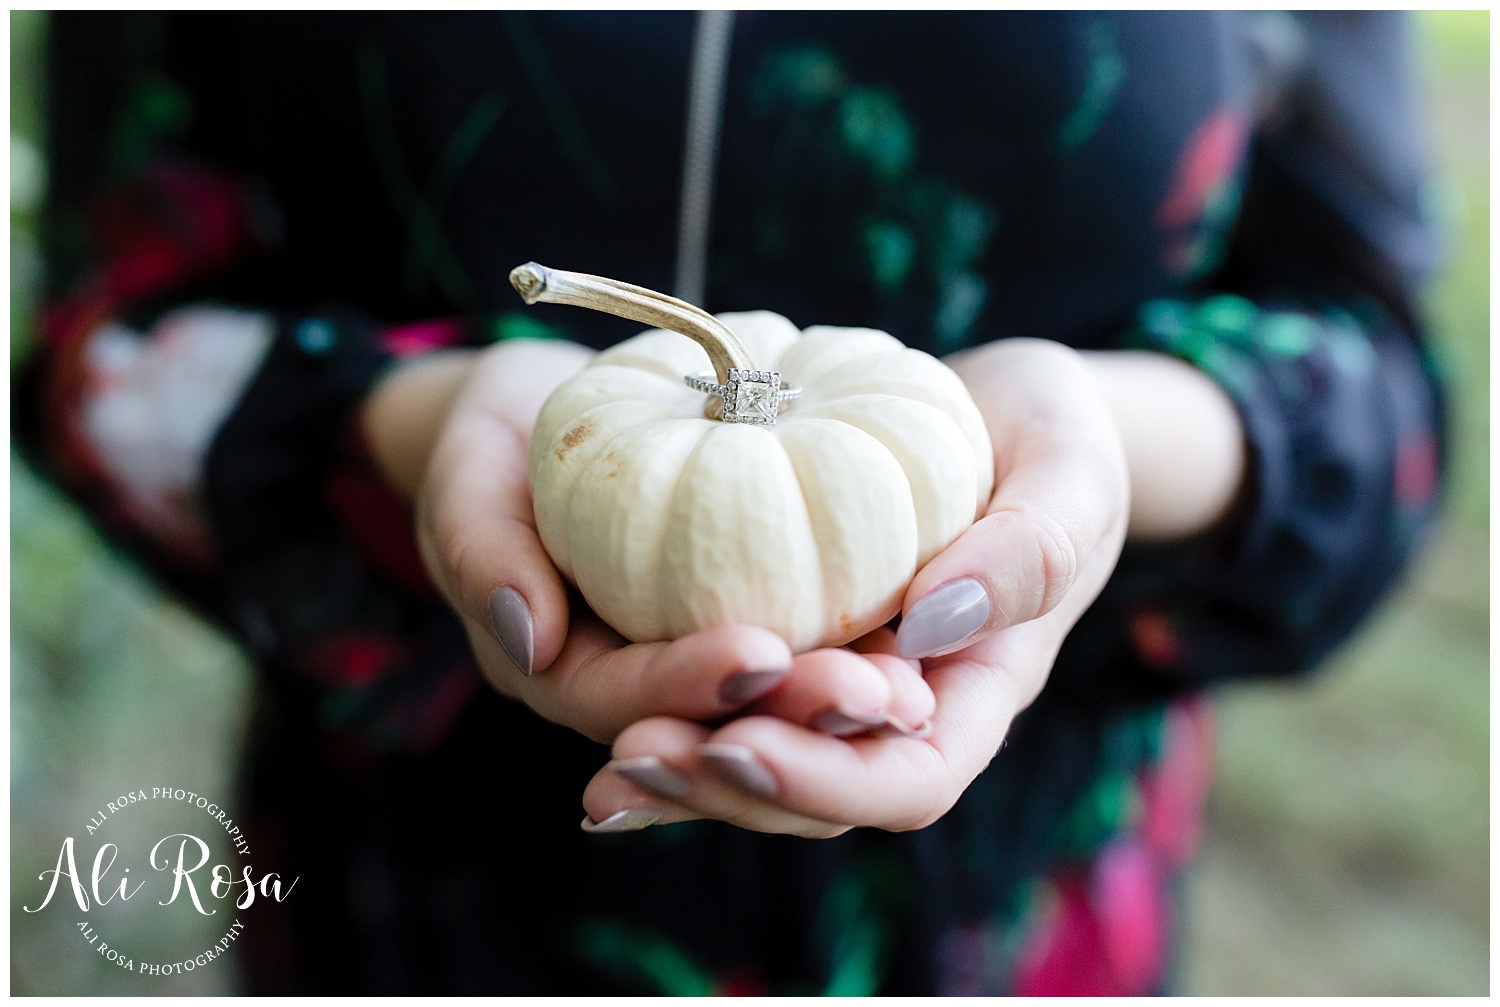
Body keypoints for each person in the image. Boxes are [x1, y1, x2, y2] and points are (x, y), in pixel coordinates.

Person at [20, 11, 1444, 995]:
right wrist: (404, 421)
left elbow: (1374, 377)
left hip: (1025, 927)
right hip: (415, 899)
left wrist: (1111, 443)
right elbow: (97, 341)